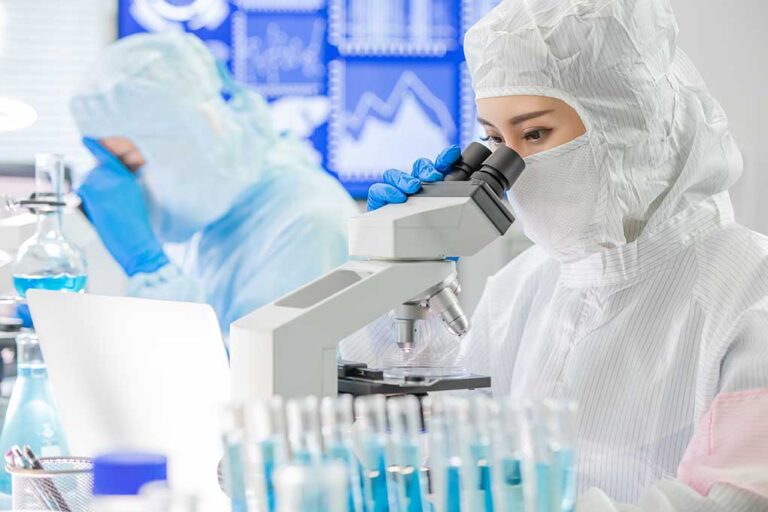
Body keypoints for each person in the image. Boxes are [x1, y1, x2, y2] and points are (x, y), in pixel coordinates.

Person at [342, 0, 768, 509]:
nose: (510, 167)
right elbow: (430, 440)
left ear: (627, 120)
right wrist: (396, 276)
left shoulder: (750, 294)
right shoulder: (525, 285)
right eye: (494, 140)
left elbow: (737, 499)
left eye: (535, 133)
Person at [70, 33, 359, 333]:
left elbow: (254, 373)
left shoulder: (307, 222)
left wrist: (151, 269)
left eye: (131, 162)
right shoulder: (212, 211)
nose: (132, 184)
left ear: (200, 127)